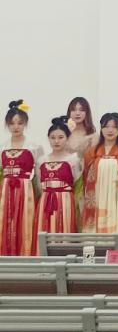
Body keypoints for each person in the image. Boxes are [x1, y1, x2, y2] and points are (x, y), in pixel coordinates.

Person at [82, 113, 118, 234]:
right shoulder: (92, 152)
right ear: (101, 128)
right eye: (106, 126)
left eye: (114, 127)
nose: (110, 130)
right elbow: (86, 176)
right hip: (97, 198)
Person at [1, 100, 41, 255]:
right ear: (7, 125)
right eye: (12, 123)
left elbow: (39, 174)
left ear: (25, 124)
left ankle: (25, 255)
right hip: (6, 190)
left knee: (25, 221)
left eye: (20, 123)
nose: (16, 127)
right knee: (5, 220)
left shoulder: (34, 146)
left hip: (25, 189)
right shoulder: (3, 147)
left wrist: (39, 195)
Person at [37, 116, 82, 235]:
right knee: (44, 230)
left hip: (66, 202)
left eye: (60, 137)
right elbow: (39, 186)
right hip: (45, 202)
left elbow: (78, 185)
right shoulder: (42, 161)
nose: (56, 141)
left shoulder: (73, 160)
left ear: (67, 138)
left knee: (65, 229)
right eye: (53, 138)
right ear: (48, 138)